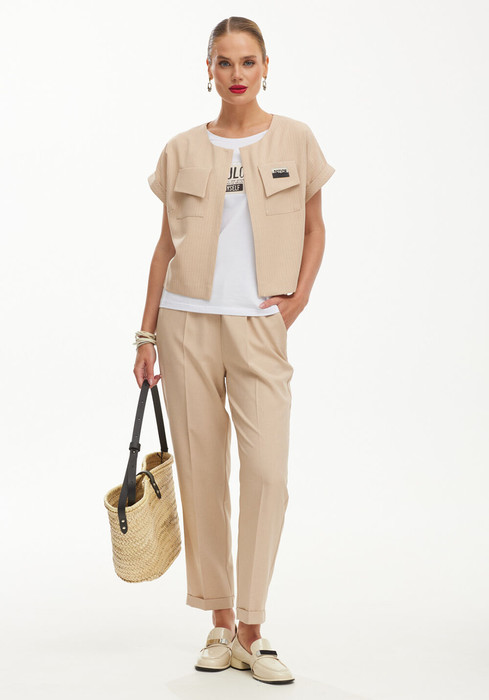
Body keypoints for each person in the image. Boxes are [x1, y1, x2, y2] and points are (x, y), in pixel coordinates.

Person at [134, 16, 335, 685]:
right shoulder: (181, 149)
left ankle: (254, 626)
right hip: (185, 325)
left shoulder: (295, 139)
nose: (237, 74)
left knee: (267, 474)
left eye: (248, 62)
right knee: (201, 475)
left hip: (258, 326)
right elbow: (165, 246)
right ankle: (220, 625)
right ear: (209, 70)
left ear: (266, 66)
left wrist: (297, 300)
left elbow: (315, 229)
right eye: (225, 62)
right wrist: (145, 334)